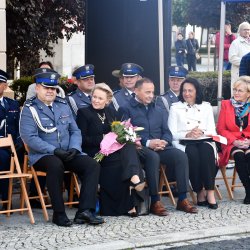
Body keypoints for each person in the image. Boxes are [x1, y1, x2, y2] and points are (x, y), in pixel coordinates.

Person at [20, 70, 104, 227]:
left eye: (53, 88)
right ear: (37, 88)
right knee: (55, 165)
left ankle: (84, 211)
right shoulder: (29, 108)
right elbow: (29, 138)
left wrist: (74, 148)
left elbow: (75, 131)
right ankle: (59, 213)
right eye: (47, 87)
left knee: (92, 164)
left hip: (67, 152)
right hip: (43, 155)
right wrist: (54, 150)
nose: (51, 91)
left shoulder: (63, 104)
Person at [120, 77, 198, 214]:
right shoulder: (125, 108)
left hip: (161, 147)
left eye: (152, 92)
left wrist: (164, 142)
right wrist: (149, 143)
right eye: (147, 92)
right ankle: (155, 201)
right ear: (136, 91)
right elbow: (126, 133)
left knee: (180, 156)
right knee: (153, 157)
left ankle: (182, 199)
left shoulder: (159, 108)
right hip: (139, 148)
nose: (151, 95)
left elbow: (167, 132)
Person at [76, 83, 145, 217]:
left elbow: (119, 133)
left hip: (113, 150)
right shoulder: (84, 113)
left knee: (129, 144)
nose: (95, 100)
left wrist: (124, 136)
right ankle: (133, 187)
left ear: (107, 101)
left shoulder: (111, 112)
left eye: (100, 98)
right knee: (122, 160)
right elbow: (82, 139)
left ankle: (133, 182)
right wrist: (103, 138)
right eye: (94, 97)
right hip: (95, 153)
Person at [168, 78, 218, 209]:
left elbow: (212, 130)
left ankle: (210, 192)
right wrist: (187, 134)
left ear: (197, 91)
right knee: (193, 153)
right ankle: (199, 191)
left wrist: (201, 132)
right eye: (184, 90)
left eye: (190, 90)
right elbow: (171, 133)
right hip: (184, 142)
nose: (187, 93)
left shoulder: (206, 106)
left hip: (204, 139)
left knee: (206, 151)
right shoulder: (175, 108)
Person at [217, 76, 250, 204]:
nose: (236, 93)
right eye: (235, 90)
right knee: (239, 155)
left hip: (247, 141)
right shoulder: (226, 105)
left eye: (240, 90)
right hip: (230, 142)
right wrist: (234, 141)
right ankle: (248, 190)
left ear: (248, 93)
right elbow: (221, 129)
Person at [0, 69, 23, 209]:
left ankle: (7, 199)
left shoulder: (13, 104)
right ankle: (5, 199)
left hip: (14, 146)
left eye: (0, 83)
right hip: (2, 149)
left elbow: (19, 125)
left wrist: (19, 141)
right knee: (3, 158)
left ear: (5, 85)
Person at [229, 22, 250, 92]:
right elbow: (232, 58)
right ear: (240, 31)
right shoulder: (235, 43)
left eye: (248, 29)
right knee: (238, 94)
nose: (247, 31)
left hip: (248, 74)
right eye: (244, 29)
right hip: (239, 74)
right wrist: (245, 62)